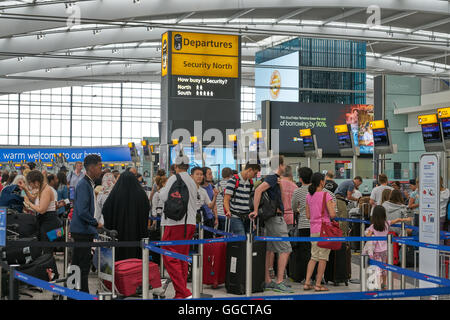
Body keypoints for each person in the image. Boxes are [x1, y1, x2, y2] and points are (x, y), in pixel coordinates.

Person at [250, 155, 293, 294]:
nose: (285, 166)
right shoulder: (272, 177)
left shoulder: (274, 179)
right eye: (283, 164)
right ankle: (279, 281)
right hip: (275, 218)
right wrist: (256, 210)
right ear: (280, 165)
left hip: (271, 218)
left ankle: (268, 280)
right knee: (285, 249)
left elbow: (280, 198)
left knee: (269, 250)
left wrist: (280, 186)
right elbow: (258, 191)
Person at [159, 152, 198, 299]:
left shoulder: (174, 178)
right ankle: (180, 293)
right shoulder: (192, 181)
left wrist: (162, 188)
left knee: (169, 254)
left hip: (176, 223)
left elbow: (163, 197)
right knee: (181, 257)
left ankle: (184, 292)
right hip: (190, 222)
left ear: (175, 166)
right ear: (187, 167)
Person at [69, 154, 103, 294]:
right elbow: (82, 211)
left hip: (82, 230)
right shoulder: (84, 185)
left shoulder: (88, 183)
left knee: (77, 265)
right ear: (91, 167)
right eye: (99, 167)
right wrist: (95, 223)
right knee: (81, 267)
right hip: (82, 231)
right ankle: (81, 295)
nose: (101, 170)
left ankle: (74, 294)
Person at [102, 171, 149, 261]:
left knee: (119, 255)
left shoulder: (115, 193)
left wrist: (111, 224)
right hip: (136, 233)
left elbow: (106, 209)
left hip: (118, 234)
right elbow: (146, 209)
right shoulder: (141, 193)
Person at [303, 172, 336, 292]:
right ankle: (318, 284)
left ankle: (307, 282)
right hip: (324, 230)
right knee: (323, 258)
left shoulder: (308, 196)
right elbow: (332, 214)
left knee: (314, 256)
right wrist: (332, 206)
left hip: (313, 229)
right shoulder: (326, 195)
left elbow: (307, 215)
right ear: (321, 182)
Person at [366, 205, 412, 289]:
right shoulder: (387, 223)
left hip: (376, 251)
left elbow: (368, 237)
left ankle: (378, 284)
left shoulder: (372, 227)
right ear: (384, 214)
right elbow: (397, 220)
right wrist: (406, 219)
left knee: (377, 267)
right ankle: (384, 283)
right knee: (384, 266)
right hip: (386, 250)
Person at [23, 170, 62, 254]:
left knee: (47, 252)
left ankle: (48, 267)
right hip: (46, 223)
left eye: (30, 183)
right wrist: (25, 189)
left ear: (36, 182)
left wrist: (29, 203)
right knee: (45, 251)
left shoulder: (46, 190)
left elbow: (41, 209)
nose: (30, 186)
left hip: (51, 225)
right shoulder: (42, 188)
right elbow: (34, 199)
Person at [224, 163, 261, 236]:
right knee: (241, 238)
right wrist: (228, 211)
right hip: (235, 216)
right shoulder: (233, 180)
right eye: (255, 173)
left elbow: (251, 199)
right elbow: (226, 199)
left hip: (248, 217)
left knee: (249, 240)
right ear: (250, 170)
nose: (255, 176)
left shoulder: (250, 183)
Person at [200, 167, 219, 238]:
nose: (212, 176)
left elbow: (213, 203)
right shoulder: (199, 188)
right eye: (209, 174)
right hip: (201, 218)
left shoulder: (211, 187)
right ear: (204, 176)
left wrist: (216, 217)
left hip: (210, 218)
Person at [280, 165, 298, 232]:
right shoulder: (295, 187)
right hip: (291, 218)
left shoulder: (277, 184)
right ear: (291, 174)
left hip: (278, 218)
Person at [215, 167, 233, 231]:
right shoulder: (232, 184)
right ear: (231, 175)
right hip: (228, 214)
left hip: (218, 214)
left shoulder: (216, 185)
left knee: (219, 235)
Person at [439, 177, 450, 242]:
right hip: (434, 215)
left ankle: (440, 249)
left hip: (442, 215)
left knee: (441, 233)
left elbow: (441, 200)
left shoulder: (447, 191)